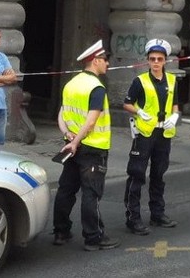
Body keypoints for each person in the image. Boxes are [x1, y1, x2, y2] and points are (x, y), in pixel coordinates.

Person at [52, 40, 119, 251]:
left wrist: (68, 137)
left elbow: (61, 115)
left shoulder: (71, 84)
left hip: (72, 147)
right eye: (105, 60)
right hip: (92, 148)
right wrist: (77, 141)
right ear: (96, 60)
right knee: (91, 193)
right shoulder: (97, 88)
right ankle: (93, 237)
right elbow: (91, 122)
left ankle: (61, 232)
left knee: (66, 190)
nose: (107, 64)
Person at [123, 38, 180, 235]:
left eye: (160, 59)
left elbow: (175, 103)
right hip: (145, 134)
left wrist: (175, 115)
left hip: (164, 132)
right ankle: (133, 218)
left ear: (165, 61)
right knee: (137, 174)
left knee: (158, 174)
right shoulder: (140, 81)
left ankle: (157, 214)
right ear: (147, 60)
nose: (156, 62)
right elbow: (127, 103)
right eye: (152, 59)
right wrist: (138, 112)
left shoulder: (172, 80)